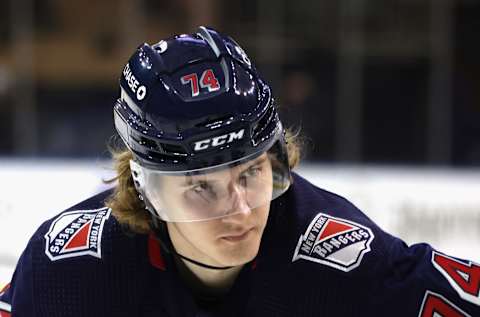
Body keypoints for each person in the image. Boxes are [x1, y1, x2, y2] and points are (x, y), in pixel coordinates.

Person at [1, 26, 479, 317]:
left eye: (251, 173)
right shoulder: (68, 272)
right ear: (144, 192)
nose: (241, 208)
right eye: (200, 187)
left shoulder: (341, 265)